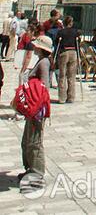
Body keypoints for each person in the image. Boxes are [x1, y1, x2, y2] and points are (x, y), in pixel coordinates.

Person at [20, 33, 53, 186]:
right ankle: (30, 169)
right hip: (33, 107)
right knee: (27, 140)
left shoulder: (44, 62)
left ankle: (37, 174)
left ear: (40, 48)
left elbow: (44, 86)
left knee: (35, 142)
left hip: (37, 109)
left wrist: (37, 108)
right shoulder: (41, 61)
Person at [54, 15, 81, 104]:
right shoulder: (76, 32)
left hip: (64, 53)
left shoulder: (61, 32)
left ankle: (62, 98)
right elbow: (78, 42)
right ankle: (71, 97)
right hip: (73, 52)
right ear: (71, 23)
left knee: (62, 76)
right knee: (71, 76)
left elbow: (56, 42)